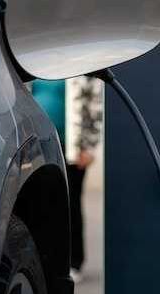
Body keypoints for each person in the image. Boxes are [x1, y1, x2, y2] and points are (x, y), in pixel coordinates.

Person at [31, 78, 103, 282]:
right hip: (39, 144)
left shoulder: (80, 65)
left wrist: (89, 147)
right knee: (41, 204)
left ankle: (74, 262)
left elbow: (95, 104)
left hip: (72, 148)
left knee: (70, 203)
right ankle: (43, 259)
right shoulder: (35, 59)